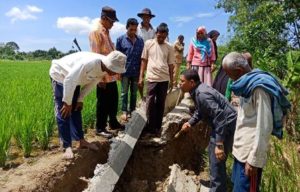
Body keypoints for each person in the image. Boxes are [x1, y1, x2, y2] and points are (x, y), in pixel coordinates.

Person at [222, 52, 290, 191]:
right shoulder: (246, 85)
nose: (229, 78)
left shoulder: (258, 88)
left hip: (249, 156)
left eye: (230, 74)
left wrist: (254, 160)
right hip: (240, 152)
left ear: (239, 71)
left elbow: (264, 126)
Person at [49, 51, 126, 159]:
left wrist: (80, 99)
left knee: (76, 108)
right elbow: (69, 80)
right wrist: (67, 102)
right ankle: (67, 146)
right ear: (109, 65)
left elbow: (92, 83)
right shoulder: (89, 63)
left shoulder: (104, 69)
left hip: (74, 80)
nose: (115, 73)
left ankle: (81, 141)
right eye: (115, 70)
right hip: (61, 75)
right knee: (64, 110)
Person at [178, 69, 237, 192]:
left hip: (226, 124)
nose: (179, 84)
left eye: (182, 81)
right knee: (212, 150)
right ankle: (217, 182)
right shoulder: (198, 90)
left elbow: (220, 117)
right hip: (222, 123)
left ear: (192, 82)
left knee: (216, 156)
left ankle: (218, 188)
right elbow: (201, 110)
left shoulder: (202, 94)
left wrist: (219, 143)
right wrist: (190, 123)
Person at [89, 6, 124, 138]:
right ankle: (100, 127)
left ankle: (113, 122)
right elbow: (95, 56)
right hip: (102, 75)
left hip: (111, 74)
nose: (113, 24)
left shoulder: (106, 32)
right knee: (103, 103)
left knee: (113, 100)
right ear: (103, 18)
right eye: (111, 21)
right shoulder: (96, 32)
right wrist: (100, 78)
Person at [139, 23, 175, 135]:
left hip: (164, 78)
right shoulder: (148, 43)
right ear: (156, 34)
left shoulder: (169, 47)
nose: (161, 39)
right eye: (159, 36)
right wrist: (141, 76)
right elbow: (144, 60)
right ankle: (150, 126)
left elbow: (171, 65)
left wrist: (172, 80)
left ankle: (157, 127)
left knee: (160, 103)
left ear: (166, 36)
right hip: (151, 77)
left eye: (163, 37)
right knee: (149, 102)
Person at [116, 18, 144, 121]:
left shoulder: (140, 40)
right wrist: (118, 72)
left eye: (135, 29)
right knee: (124, 92)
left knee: (134, 92)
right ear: (127, 28)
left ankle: (132, 110)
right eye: (131, 29)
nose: (133, 32)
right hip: (125, 71)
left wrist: (142, 73)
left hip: (136, 71)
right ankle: (124, 111)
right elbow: (117, 57)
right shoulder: (120, 39)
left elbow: (142, 57)